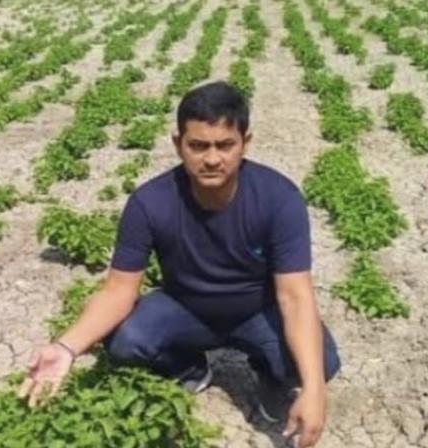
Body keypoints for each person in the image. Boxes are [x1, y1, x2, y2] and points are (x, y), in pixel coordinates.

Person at [18, 81, 341, 448]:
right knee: (127, 341)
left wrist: (314, 389)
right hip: (185, 307)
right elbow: (118, 290)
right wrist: (65, 348)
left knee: (321, 363)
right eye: (198, 145)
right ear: (178, 144)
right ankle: (190, 367)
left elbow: (295, 296)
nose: (212, 158)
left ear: (245, 143)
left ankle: (267, 374)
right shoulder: (150, 203)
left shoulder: (278, 198)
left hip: (257, 310)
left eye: (225, 145)